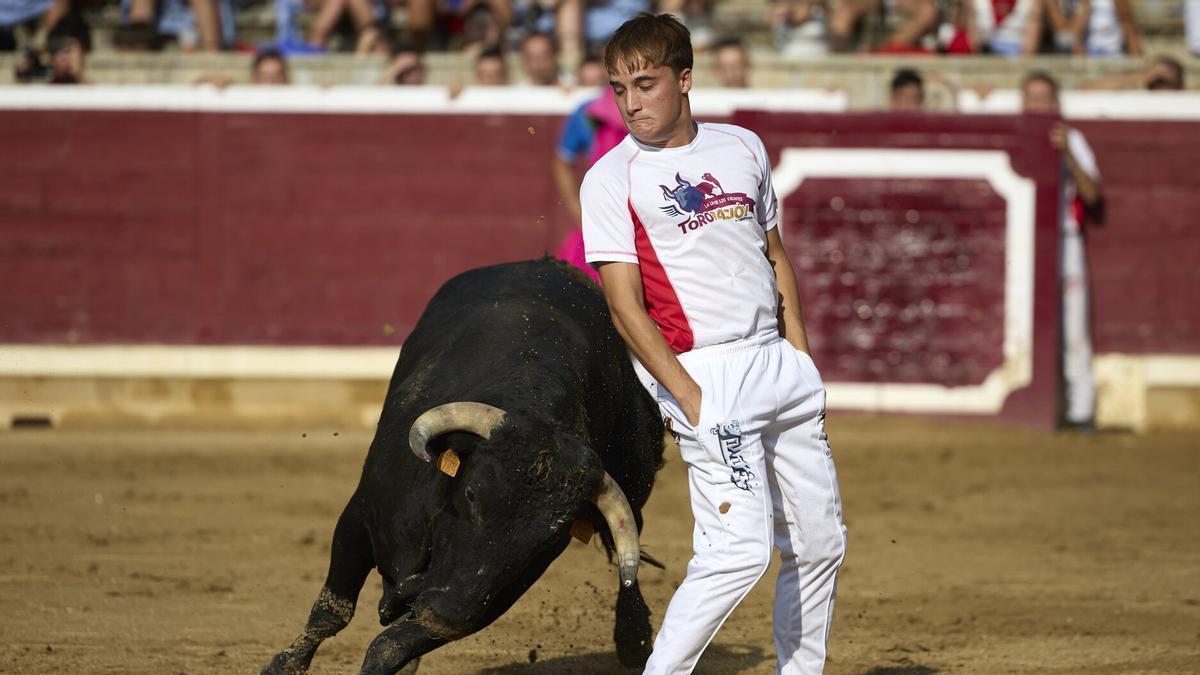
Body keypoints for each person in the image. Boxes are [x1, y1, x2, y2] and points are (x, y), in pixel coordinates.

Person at [580, 12, 846, 674]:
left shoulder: (743, 146)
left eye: (645, 83)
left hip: (778, 366)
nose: (631, 102)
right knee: (740, 551)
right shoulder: (611, 178)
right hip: (706, 373)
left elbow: (774, 253)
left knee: (820, 543)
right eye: (620, 88)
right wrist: (690, 396)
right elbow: (622, 305)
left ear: (685, 78)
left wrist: (800, 357)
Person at [1022, 70, 1102, 431]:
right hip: (1020, 246)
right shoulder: (1014, 133)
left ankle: (1080, 410)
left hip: (1065, 242)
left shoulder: (1073, 139)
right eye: (1031, 97)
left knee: (1073, 329)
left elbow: (1091, 194)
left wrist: (1067, 150)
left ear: (1056, 104)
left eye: (1044, 98)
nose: (1038, 105)